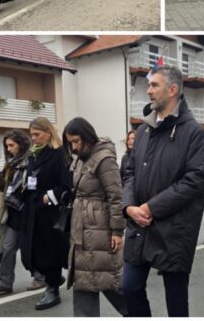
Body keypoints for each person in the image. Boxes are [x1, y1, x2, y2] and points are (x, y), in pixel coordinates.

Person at [121, 64, 204, 317]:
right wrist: (129, 207)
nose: (148, 91)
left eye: (154, 85)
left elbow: (194, 180)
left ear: (172, 90)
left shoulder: (193, 132)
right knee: (129, 287)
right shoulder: (143, 130)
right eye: (148, 85)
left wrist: (150, 207)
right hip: (140, 225)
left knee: (176, 301)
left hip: (174, 228)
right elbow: (129, 172)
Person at [63, 118, 128, 317]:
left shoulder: (104, 158)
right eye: (70, 143)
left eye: (76, 141)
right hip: (82, 227)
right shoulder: (80, 157)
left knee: (106, 280)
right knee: (84, 280)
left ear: (87, 136)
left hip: (99, 227)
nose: (73, 147)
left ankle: (136, 312)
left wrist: (117, 231)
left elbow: (116, 196)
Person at [20, 117, 72, 310]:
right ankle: (54, 277)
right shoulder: (33, 155)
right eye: (31, 134)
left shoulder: (59, 154)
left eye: (37, 134)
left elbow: (66, 185)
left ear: (48, 133)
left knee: (49, 252)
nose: (33, 138)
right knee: (32, 251)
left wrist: (49, 196)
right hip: (31, 211)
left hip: (49, 213)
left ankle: (52, 289)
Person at [0, 129, 45, 295]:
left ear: (21, 144)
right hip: (13, 211)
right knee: (8, 247)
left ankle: (40, 277)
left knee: (31, 248)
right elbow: (4, 186)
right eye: (7, 146)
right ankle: (4, 282)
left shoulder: (31, 160)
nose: (9, 149)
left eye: (12, 145)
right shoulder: (10, 163)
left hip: (27, 211)